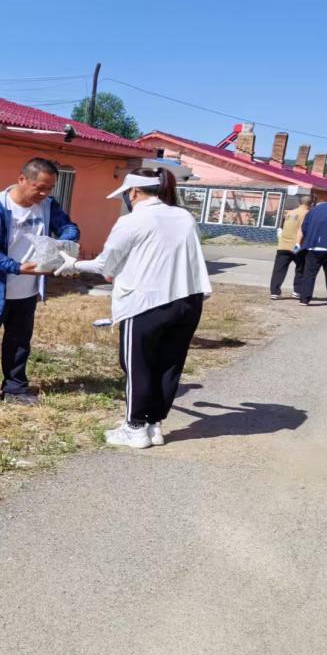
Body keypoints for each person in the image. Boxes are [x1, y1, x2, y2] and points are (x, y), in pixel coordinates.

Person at [56, 168, 212, 449]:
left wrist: (73, 264)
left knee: (138, 365)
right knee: (168, 364)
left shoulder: (131, 221)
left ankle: (134, 427)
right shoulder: (184, 217)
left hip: (146, 304)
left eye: (127, 194)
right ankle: (154, 425)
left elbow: (105, 264)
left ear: (134, 192)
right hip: (188, 301)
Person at [0, 158, 78, 409]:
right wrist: (17, 267)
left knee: (19, 342)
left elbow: (69, 227)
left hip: (26, 291)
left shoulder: (47, 206)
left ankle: (15, 388)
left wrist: (62, 244)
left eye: (50, 188)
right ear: (22, 179)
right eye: (39, 188)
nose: (44, 194)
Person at [270, 194, 311, 299]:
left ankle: (274, 292)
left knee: (279, 270)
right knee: (301, 269)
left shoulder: (290, 213)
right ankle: (297, 291)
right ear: (311, 204)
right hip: (298, 246)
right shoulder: (308, 213)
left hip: (283, 245)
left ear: (299, 202)